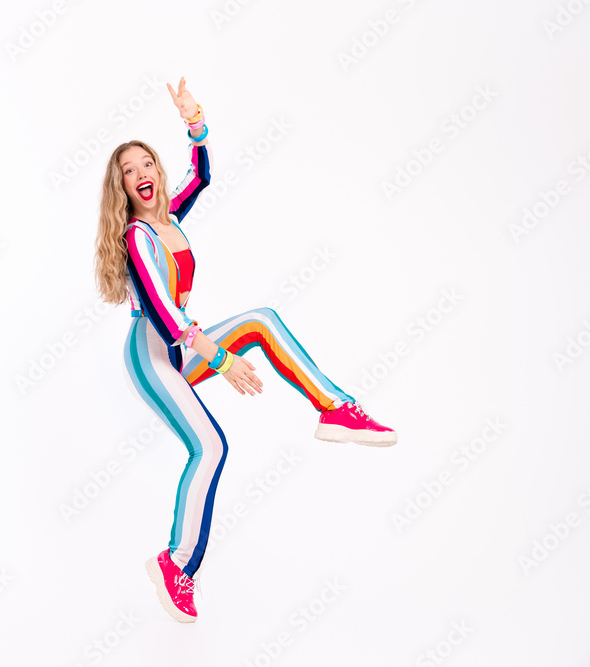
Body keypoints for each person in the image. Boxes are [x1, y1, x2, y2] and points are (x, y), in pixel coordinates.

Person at [92, 77, 397, 623]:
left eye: (147, 164)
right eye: (129, 171)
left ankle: (335, 408)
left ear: (157, 172)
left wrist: (195, 123)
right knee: (209, 447)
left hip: (179, 347)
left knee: (262, 320)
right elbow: (163, 315)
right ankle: (176, 565)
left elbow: (201, 176)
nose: (140, 174)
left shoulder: (168, 219)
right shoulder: (137, 236)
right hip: (152, 353)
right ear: (122, 188)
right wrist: (221, 359)